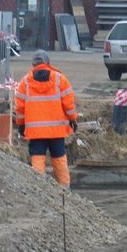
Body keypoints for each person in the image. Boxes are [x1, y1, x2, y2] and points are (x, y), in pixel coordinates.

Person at [14, 49, 77, 188]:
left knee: (37, 158)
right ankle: (65, 189)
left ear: (33, 64)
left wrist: (21, 124)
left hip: (36, 131)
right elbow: (69, 104)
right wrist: (72, 119)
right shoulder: (60, 79)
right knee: (59, 158)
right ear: (48, 63)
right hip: (57, 130)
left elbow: (19, 108)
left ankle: (39, 190)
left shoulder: (25, 82)